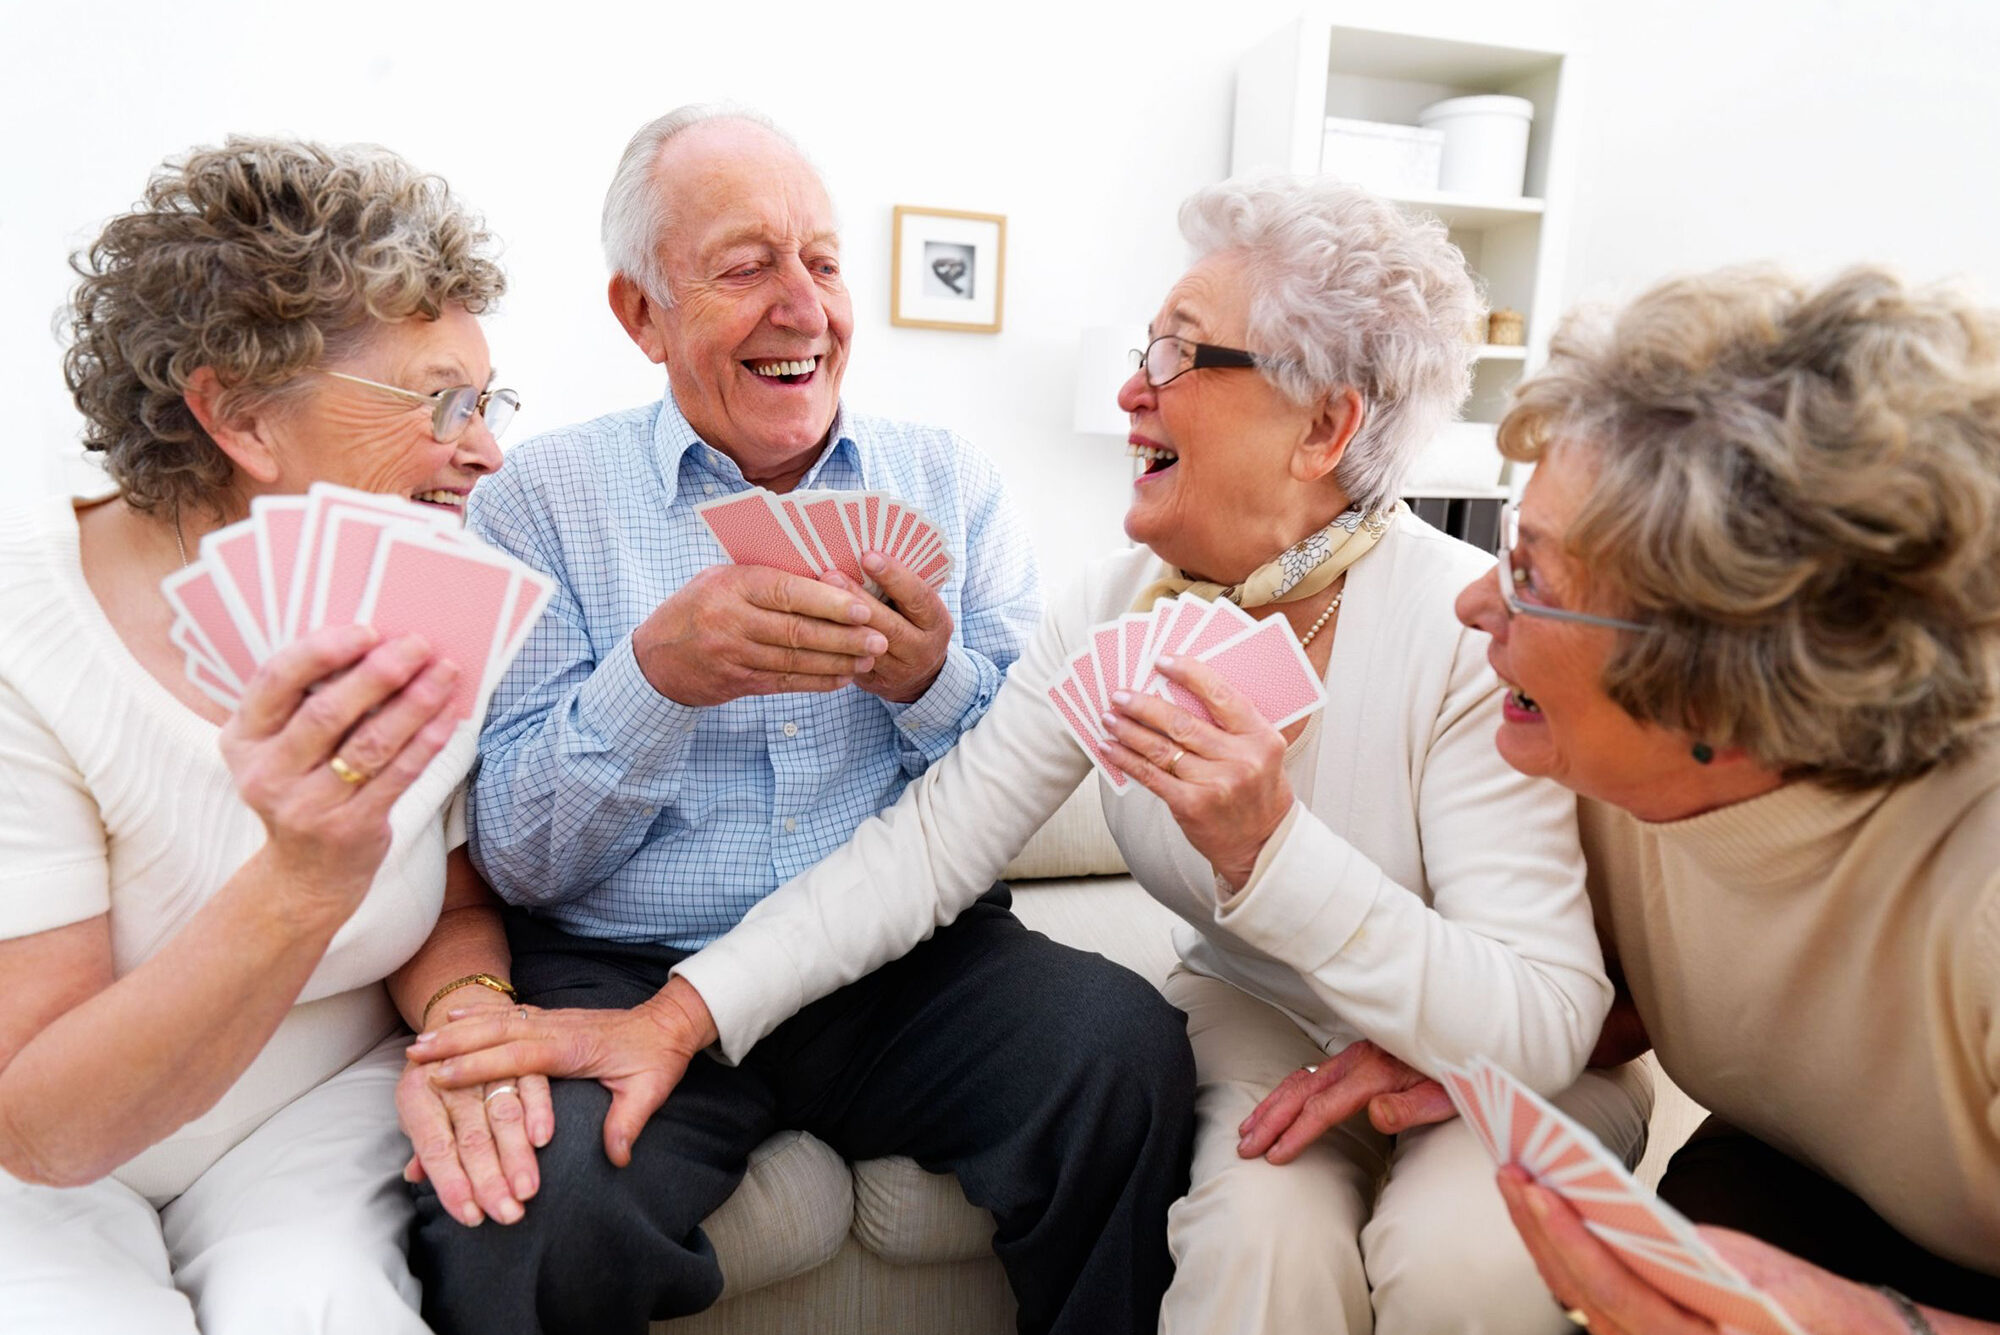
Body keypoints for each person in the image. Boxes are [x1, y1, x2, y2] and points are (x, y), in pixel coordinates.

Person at [418, 174, 1651, 1334]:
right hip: (1259, 1018)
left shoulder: (1467, 628)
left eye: (1178, 355)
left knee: (1458, 1259)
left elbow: (1543, 1017)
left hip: (1485, 1047)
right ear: (641, 311)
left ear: (1324, 424)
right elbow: (932, 844)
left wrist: (1263, 851)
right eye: (1141, 351)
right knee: (1256, 1242)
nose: (1129, 391)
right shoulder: (1123, 606)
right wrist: (679, 1012)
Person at [403, 104, 1195, 1335]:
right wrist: (652, 678)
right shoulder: (532, 507)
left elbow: (1027, 782)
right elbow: (513, 855)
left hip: (901, 965)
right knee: (523, 1209)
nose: (801, 306)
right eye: (743, 267)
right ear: (640, 316)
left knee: (1123, 1053)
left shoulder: (950, 484)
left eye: (821, 262)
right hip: (623, 965)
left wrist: (929, 681)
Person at [0, 137, 548, 1333]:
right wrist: (301, 880)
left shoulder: (442, 589)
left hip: (313, 1120)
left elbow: (445, 902)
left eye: (488, 401)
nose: (486, 451)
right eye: (440, 401)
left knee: (322, 1309)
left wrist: (470, 1017)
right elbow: (41, 1130)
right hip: (44, 1163)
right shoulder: (20, 639)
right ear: (239, 414)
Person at [1443, 265, 2000, 1332]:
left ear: (1728, 684)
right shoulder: (1589, 767)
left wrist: (1879, 1328)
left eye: (1532, 575)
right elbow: (1657, 984)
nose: (1474, 601)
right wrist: (1466, 1033)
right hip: (1801, 1182)